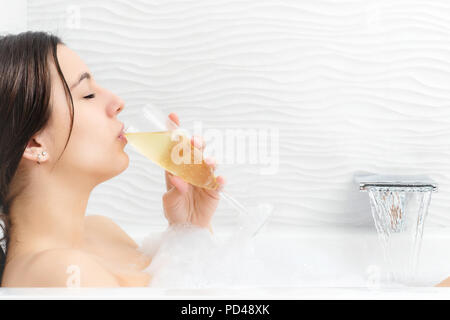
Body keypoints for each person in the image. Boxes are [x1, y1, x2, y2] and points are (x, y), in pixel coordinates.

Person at [0, 31, 226, 287]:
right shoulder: (58, 272)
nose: (118, 102)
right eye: (87, 94)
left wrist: (190, 229)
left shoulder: (102, 232)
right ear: (34, 143)